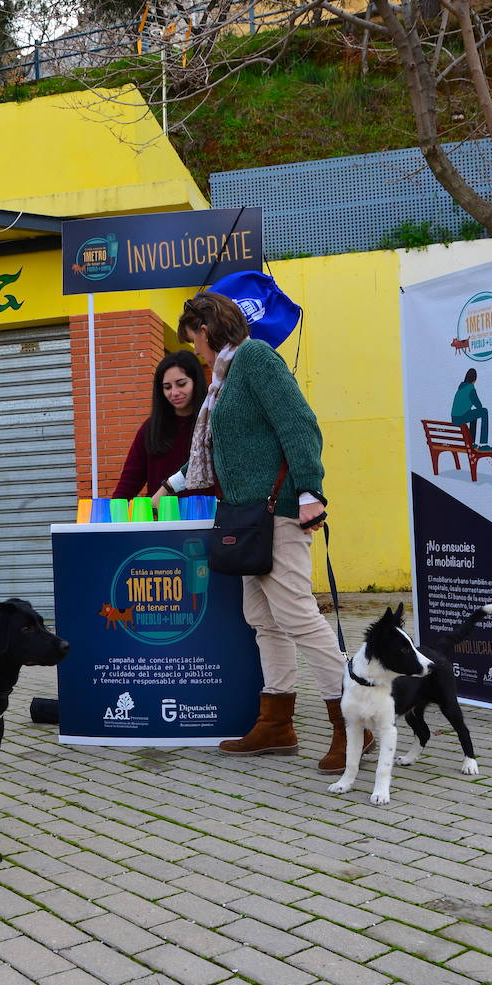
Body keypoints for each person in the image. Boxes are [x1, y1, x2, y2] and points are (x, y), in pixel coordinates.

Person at [152, 291, 367, 773]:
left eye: (194, 340)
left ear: (206, 329)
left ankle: (356, 725)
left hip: (279, 512)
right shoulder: (223, 380)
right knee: (263, 618)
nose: (196, 352)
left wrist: (311, 490)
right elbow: (220, 447)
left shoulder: (254, 359)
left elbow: (300, 424)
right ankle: (277, 724)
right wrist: (174, 482)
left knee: (297, 616)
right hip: (246, 517)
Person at [112, 350, 213, 499]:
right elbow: (128, 484)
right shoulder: (150, 429)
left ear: (196, 382)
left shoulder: (212, 423)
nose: (174, 392)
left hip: (208, 518)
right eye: (167, 387)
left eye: (181, 384)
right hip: (160, 519)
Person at [451, 368, 492, 451]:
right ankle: (483, 444)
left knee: (473, 415)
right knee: (484, 411)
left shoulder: (461, 388)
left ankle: (472, 443)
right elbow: (479, 406)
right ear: (475, 379)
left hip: (454, 418)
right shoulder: (470, 388)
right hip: (460, 418)